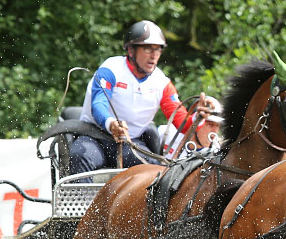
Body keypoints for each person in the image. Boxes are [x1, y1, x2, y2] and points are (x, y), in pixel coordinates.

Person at [70, 20, 210, 175]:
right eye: (148, 49)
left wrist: (199, 116)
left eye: (158, 50)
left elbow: (182, 123)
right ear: (131, 51)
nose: (154, 56)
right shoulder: (111, 69)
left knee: (157, 172)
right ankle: (82, 200)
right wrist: (111, 124)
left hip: (129, 144)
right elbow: (98, 104)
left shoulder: (162, 83)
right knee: (79, 155)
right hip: (95, 138)